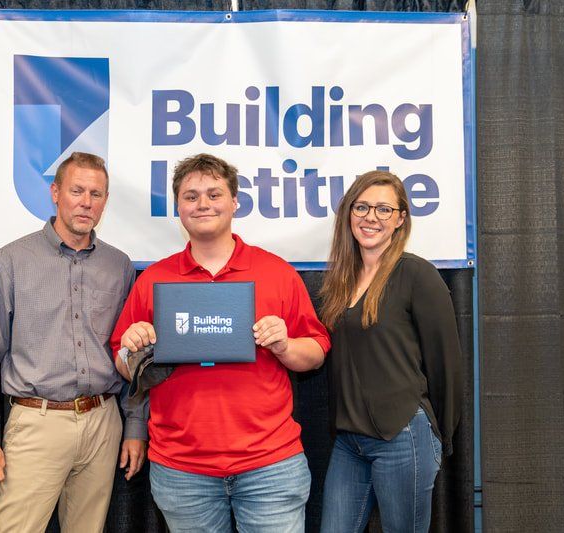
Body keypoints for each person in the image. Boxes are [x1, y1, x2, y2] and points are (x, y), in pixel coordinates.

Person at [111, 153, 331, 533]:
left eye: (214, 194)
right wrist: (131, 349)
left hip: (270, 466)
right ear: (178, 207)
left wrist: (284, 346)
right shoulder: (153, 280)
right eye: (191, 196)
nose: (203, 204)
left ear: (235, 202)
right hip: (182, 471)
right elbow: (123, 362)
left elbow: (316, 353)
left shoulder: (277, 272)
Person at [0, 152, 147, 533]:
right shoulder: (11, 261)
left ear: (105, 201)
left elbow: (131, 356)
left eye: (96, 194)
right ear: (55, 193)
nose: (86, 202)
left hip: (103, 421)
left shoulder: (119, 266)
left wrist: (135, 426)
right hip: (37, 422)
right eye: (77, 191)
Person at [318, 170, 463, 533]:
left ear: (400, 219)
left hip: (402, 436)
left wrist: (440, 436)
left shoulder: (417, 275)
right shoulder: (341, 279)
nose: (371, 217)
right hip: (349, 442)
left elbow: (446, 364)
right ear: (349, 212)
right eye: (362, 207)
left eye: (384, 209)